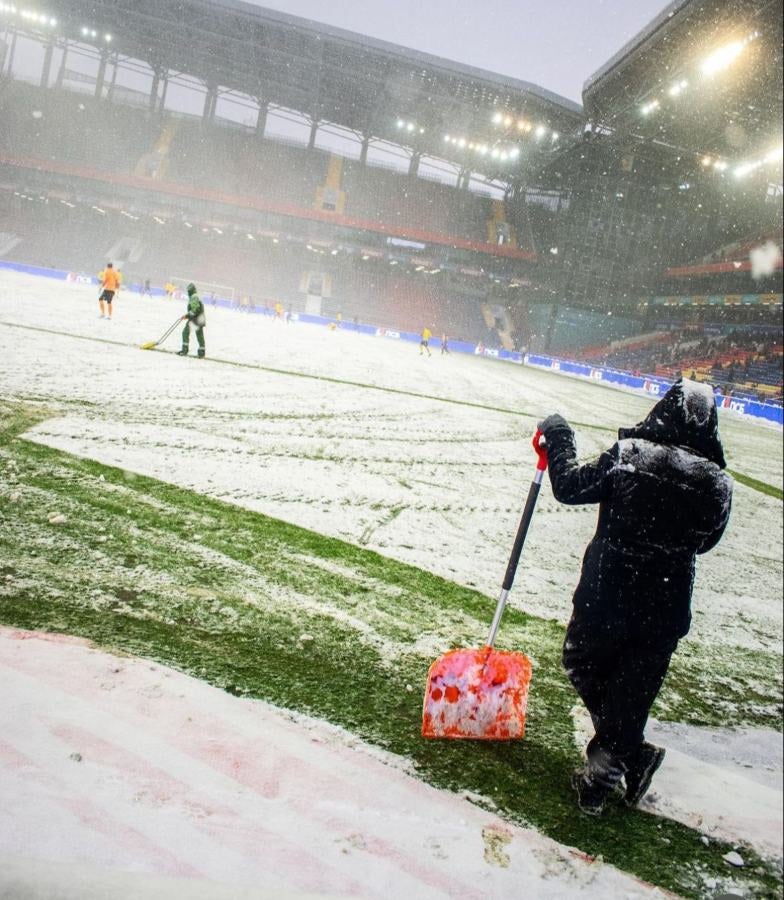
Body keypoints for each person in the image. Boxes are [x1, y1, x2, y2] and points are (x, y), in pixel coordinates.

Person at [537, 378, 732, 816]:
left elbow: (569, 486)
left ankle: (605, 774)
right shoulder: (718, 485)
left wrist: (561, 438)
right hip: (663, 610)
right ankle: (628, 756)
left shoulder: (632, 458)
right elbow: (706, 542)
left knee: (582, 663)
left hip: (606, 594)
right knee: (631, 692)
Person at [178, 283, 206, 359]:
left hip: (195, 319)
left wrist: (186, 316)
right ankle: (201, 352)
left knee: (185, 333)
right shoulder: (196, 296)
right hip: (200, 318)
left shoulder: (194, 297)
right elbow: (197, 309)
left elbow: (195, 310)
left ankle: (184, 350)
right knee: (200, 336)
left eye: (188, 290)